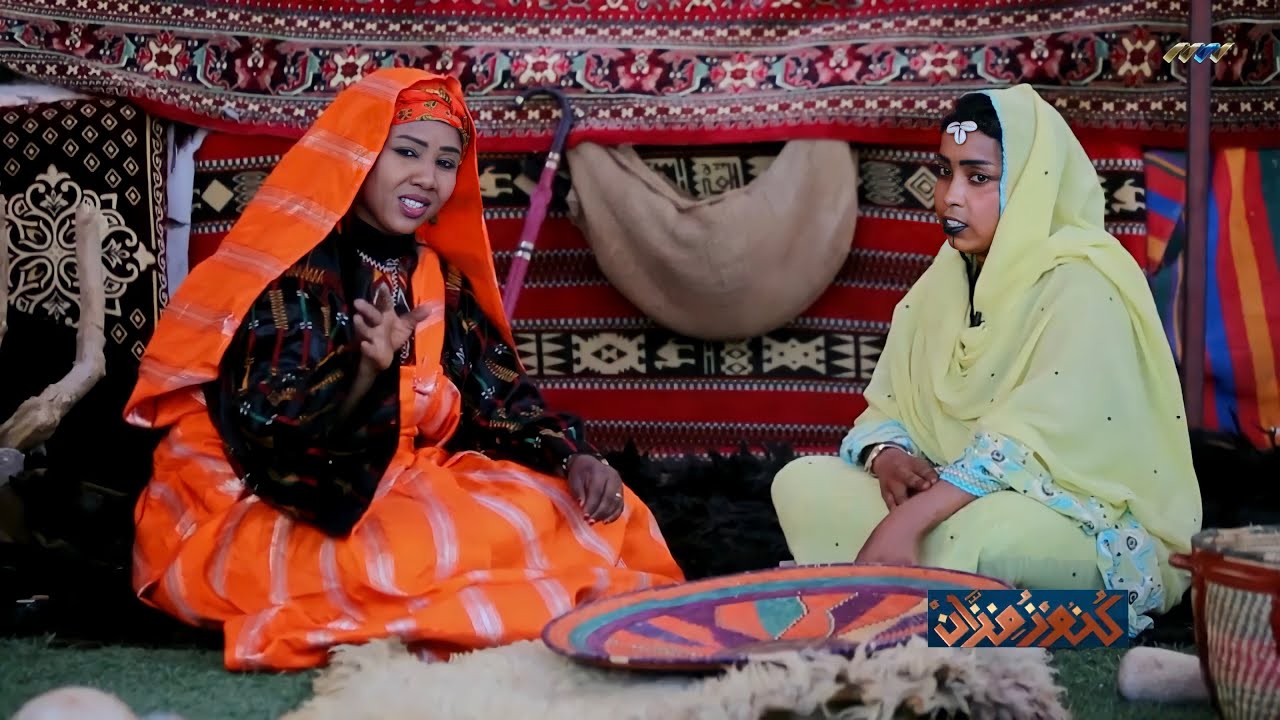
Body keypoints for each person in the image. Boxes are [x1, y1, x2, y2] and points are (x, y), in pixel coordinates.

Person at [124, 68, 684, 670]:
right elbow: (270, 432)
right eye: (408, 152)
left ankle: (472, 603)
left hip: (405, 480)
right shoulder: (292, 273)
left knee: (599, 515)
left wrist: (571, 456)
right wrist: (364, 372)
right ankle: (470, 607)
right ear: (361, 153)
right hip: (273, 493)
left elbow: (502, 402)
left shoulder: (441, 282)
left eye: (446, 162)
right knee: (387, 555)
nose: (427, 177)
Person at [770, 85, 1202, 635]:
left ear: (1030, 184)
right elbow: (887, 407)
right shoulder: (942, 284)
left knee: (996, 537)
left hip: (1068, 516)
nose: (950, 196)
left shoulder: (1084, 282)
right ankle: (934, 592)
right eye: (945, 172)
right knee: (801, 481)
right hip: (950, 498)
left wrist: (911, 518)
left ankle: (894, 587)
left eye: (977, 178)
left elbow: (1035, 443)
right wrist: (889, 459)